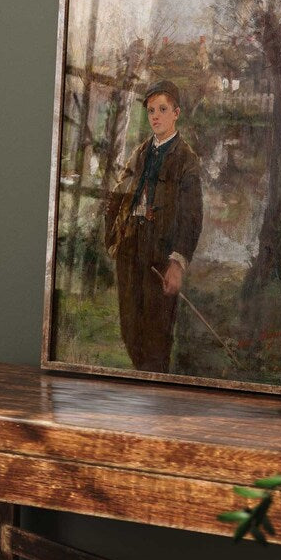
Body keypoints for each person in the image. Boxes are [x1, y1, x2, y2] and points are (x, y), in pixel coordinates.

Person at [104, 80, 203, 373]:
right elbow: (118, 195)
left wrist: (177, 262)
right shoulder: (140, 153)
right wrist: (115, 237)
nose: (155, 116)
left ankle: (156, 386)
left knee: (157, 330)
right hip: (130, 248)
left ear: (177, 113)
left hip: (160, 254)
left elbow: (192, 217)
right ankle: (141, 380)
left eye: (162, 109)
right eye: (151, 111)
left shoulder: (187, 160)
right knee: (130, 325)